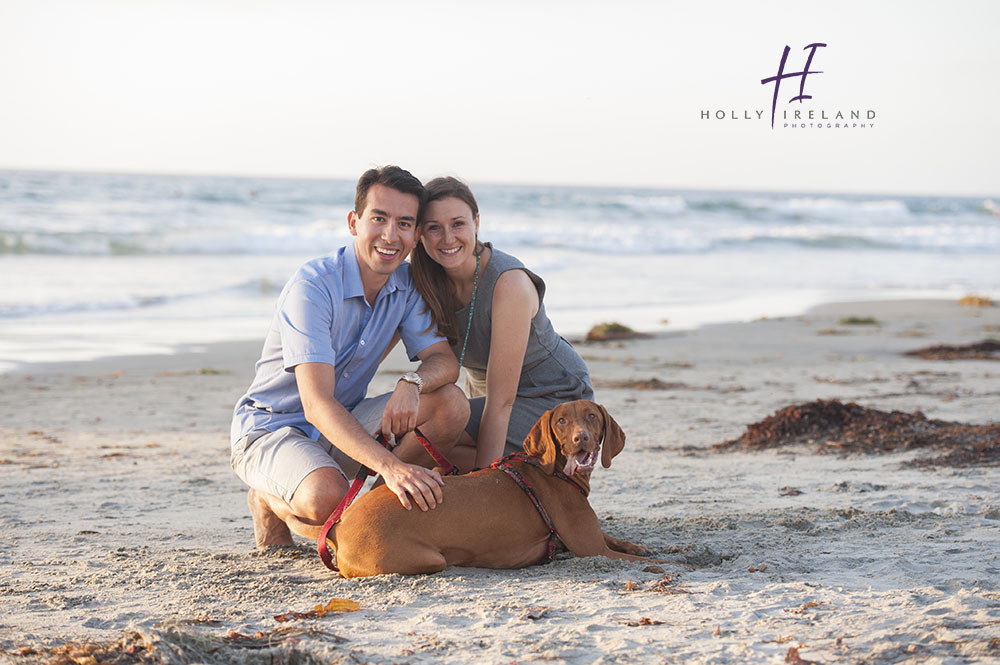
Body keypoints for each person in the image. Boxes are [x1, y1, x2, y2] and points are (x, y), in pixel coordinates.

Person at [230, 166, 470, 549]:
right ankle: (268, 499)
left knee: (451, 405)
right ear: (354, 222)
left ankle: (373, 511)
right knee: (327, 496)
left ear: (415, 235)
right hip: (272, 430)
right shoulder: (313, 286)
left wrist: (412, 382)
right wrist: (391, 466)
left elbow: (444, 360)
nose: (390, 236)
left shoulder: (405, 286)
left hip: (342, 427)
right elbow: (316, 404)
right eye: (379, 219)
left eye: (404, 223)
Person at [410, 177, 594, 470]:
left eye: (458, 223)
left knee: (430, 445)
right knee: (425, 443)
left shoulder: (509, 284)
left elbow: (501, 404)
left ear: (476, 223)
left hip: (554, 399)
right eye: (434, 227)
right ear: (420, 233)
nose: (447, 238)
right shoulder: (425, 280)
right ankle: (535, 473)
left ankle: (537, 476)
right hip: (487, 401)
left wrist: (485, 488)